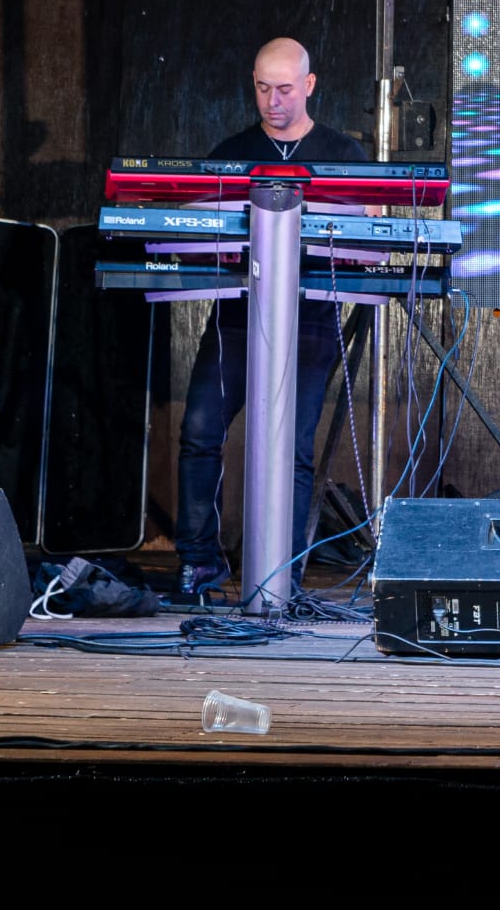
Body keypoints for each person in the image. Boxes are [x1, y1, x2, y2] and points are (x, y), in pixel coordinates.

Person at [174, 37, 365, 602]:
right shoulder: (233, 149)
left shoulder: (342, 153)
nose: (272, 101)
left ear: (309, 85)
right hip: (238, 313)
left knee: (295, 447)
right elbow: (194, 218)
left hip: (308, 318)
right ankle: (198, 562)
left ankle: (283, 573)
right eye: (262, 88)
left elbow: (366, 227)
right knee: (201, 430)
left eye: (284, 89)